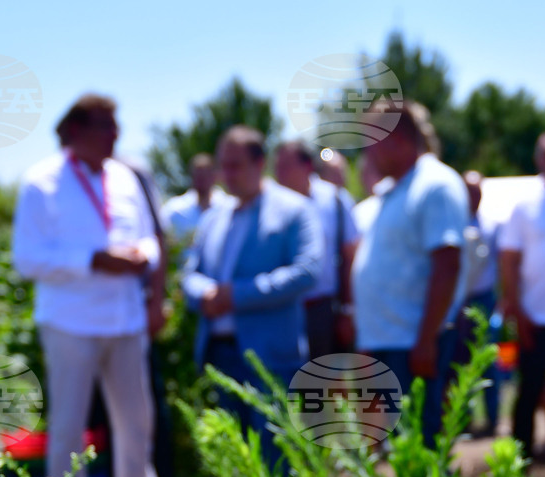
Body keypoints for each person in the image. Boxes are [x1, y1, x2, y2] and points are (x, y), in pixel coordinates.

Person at [12, 94, 162, 477]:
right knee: (68, 427)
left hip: (125, 320)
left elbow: (149, 238)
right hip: (70, 324)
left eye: (117, 125)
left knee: (137, 423)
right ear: (74, 131)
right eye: (105, 125)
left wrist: (141, 256)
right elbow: (27, 258)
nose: (115, 134)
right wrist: (94, 259)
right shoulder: (41, 182)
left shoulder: (125, 178)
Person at [181, 125, 322, 434]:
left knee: (278, 460)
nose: (227, 174)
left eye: (235, 165)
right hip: (218, 355)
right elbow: (191, 273)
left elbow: (308, 270)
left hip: (271, 357)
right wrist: (205, 294)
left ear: (260, 164)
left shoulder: (293, 210)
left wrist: (236, 295)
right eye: (223, 165)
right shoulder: (213, 218)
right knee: (234, 461)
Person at [351, 100, 469, 444]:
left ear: (396, 138)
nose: (366, 153)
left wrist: (426, 341)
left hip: (415, 344)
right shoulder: (397, 188)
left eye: (371, 140)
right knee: (400, 447)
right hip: (391, 341)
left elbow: (447, 267)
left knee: (421, 444)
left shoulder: (435, 186)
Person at [497, 131, 545, 459]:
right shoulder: (525, 206)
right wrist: (517, 309)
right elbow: (509, 260)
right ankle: (521, 467)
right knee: (528, 392)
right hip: (536, 316)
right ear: (538, 159)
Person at [273, 139, 359, 357]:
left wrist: (347, 311)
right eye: (277, 167)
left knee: (324, 383)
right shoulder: (269, 205)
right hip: (280, 309)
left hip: (323, 310)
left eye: (286, 167)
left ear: (307, 166)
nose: (279, 174)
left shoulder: (335, 200)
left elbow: (351, 256)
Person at [450, 170, 500, 434]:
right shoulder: (452, 224)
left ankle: (493, 420)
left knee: (487, 360)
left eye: (477, 191)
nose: (473, 196)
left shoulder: (492, 225)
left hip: (484, 299)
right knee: (460, 360)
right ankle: (463, 421)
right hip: (458, 300)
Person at [161, 153, 227, 240]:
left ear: (214, 177)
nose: (200, 181)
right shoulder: (175, 209)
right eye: (197, 176)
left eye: (204, 176)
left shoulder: (226, 206)